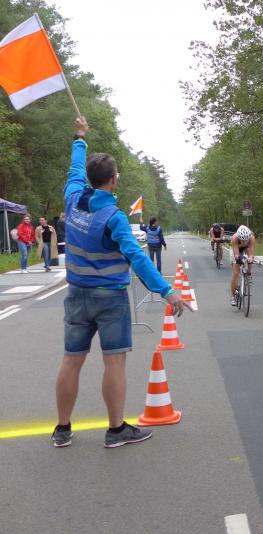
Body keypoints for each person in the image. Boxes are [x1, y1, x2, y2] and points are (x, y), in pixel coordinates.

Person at [53, 117, 184, 449]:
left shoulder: (72, 198)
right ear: (113, 180)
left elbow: (74, 171)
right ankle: (115, 431)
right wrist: (167, 290)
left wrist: (79, 138)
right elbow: (137, 258)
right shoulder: (114, 218)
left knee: (71, 360)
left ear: (90, 179)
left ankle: (62, 429)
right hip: (110, 299)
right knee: (114, 362)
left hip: (76, 295)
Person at [230, 225, 255, 305]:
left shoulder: (251, 238)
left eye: (246, 239)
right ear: (239, 237)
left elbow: (251, 251)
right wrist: (240, 258)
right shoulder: (234, 238)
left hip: (246, 248)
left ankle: (249, 274)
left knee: (250, 259)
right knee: (235, 273)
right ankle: (233, 297)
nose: (244, 241)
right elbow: (236, 255)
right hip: (236, 249)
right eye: (242, 240)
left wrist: (250, 258)